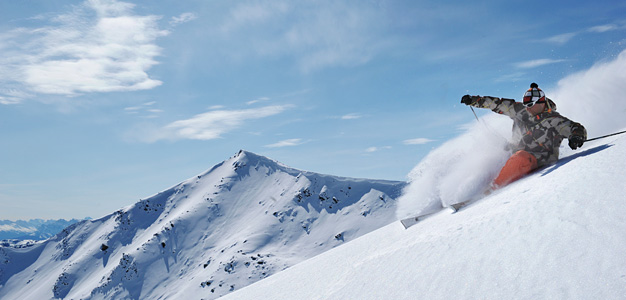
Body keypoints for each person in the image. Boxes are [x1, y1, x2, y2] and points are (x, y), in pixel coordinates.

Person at [461, 83, 587, 189]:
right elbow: (498, 104)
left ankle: (493, 189)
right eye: (525, 104)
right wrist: (475, 101)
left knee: (520, 158)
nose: (527, 108)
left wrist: (577, 136)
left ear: (541, 103)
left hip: (540, 158)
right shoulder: (521, 111)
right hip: (516, 149)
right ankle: (476, 186)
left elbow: (574, 128)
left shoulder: (553, 120)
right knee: (493, 150)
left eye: (530, 105)